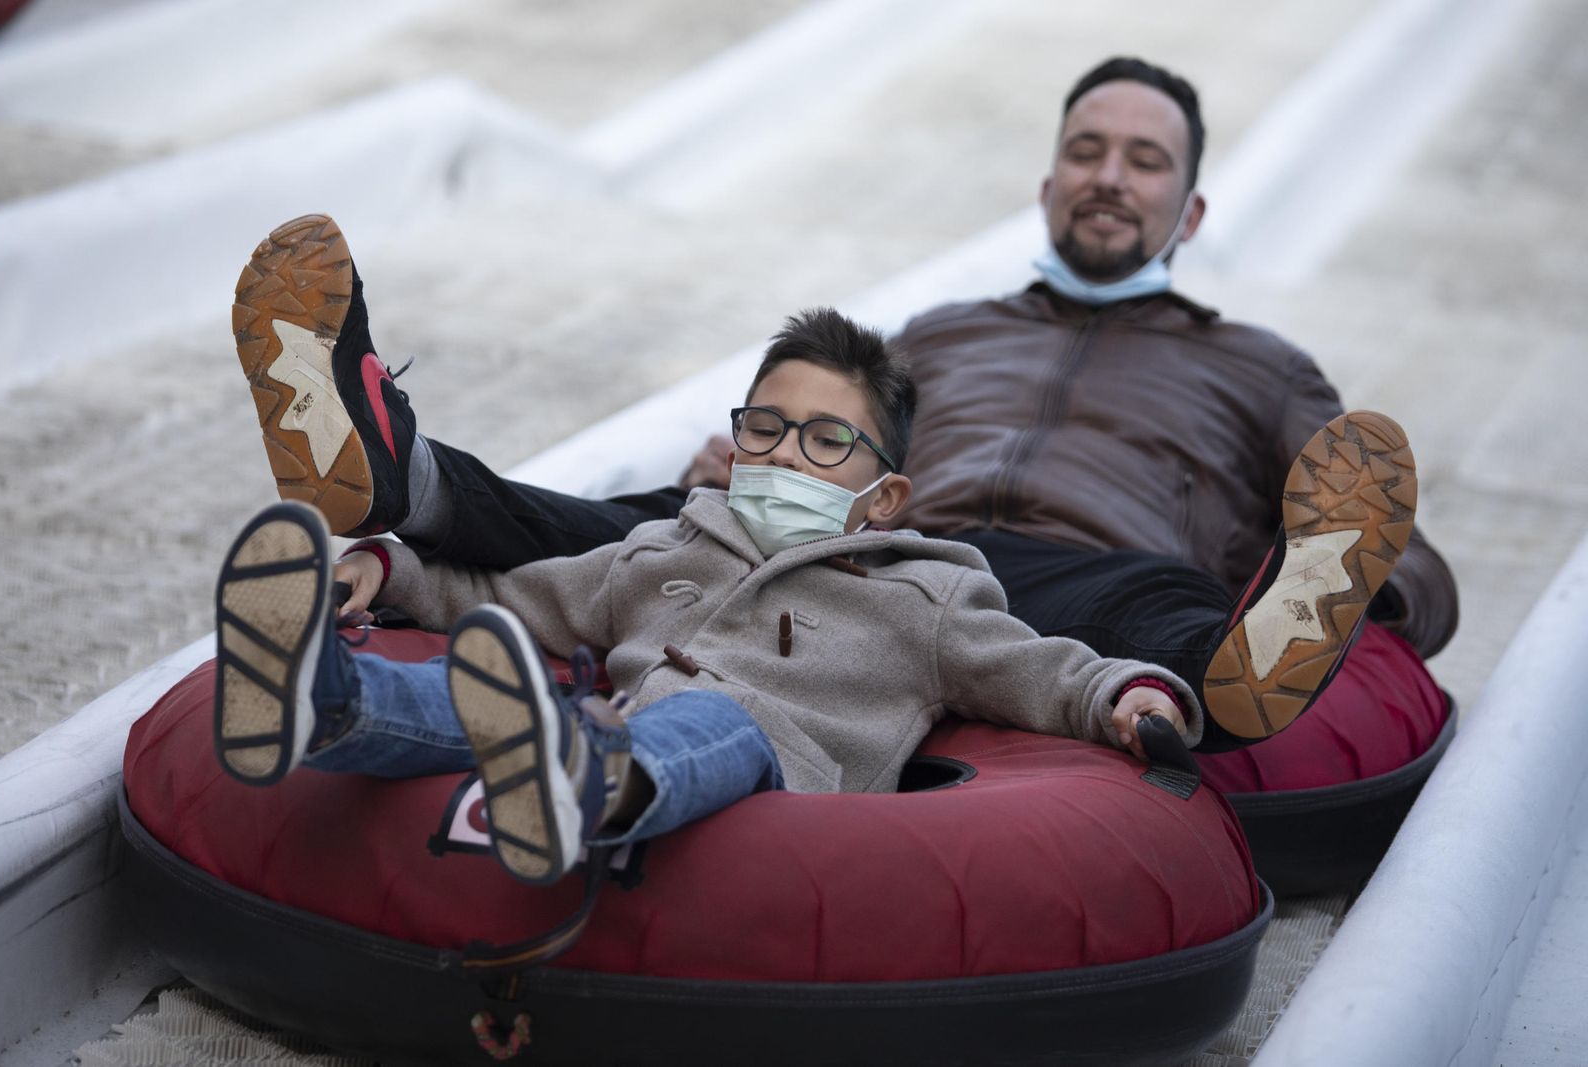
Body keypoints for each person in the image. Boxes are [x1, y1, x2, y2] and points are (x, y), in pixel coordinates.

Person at [229, 56, 1450, 752]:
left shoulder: (1258, 365)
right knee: (640, 523)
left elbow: (1415, 567)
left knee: (1170, 609)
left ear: (1187, 212)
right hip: (875, 547)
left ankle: (1232, 675)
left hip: (1095, 566)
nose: (1108, 177)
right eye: (1087, 150)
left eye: (1143, 160)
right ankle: (396, 472)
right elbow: (837, 428)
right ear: (1046, 183)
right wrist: (758, 455)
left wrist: (1353, 576)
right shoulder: (944, 332)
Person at [213, 309, 1204, 887]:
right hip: (605, 729)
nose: (785, 453)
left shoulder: (922, 593)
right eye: (766, 427)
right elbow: (514, 597)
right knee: (506, 694)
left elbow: (1040, 668)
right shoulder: (660, 547)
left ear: (882, 493)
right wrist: (388, 572)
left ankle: (584, 785)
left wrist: (1126, 694)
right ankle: (325, 696)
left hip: (771, 773)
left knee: (714, 719)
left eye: (825, 440)